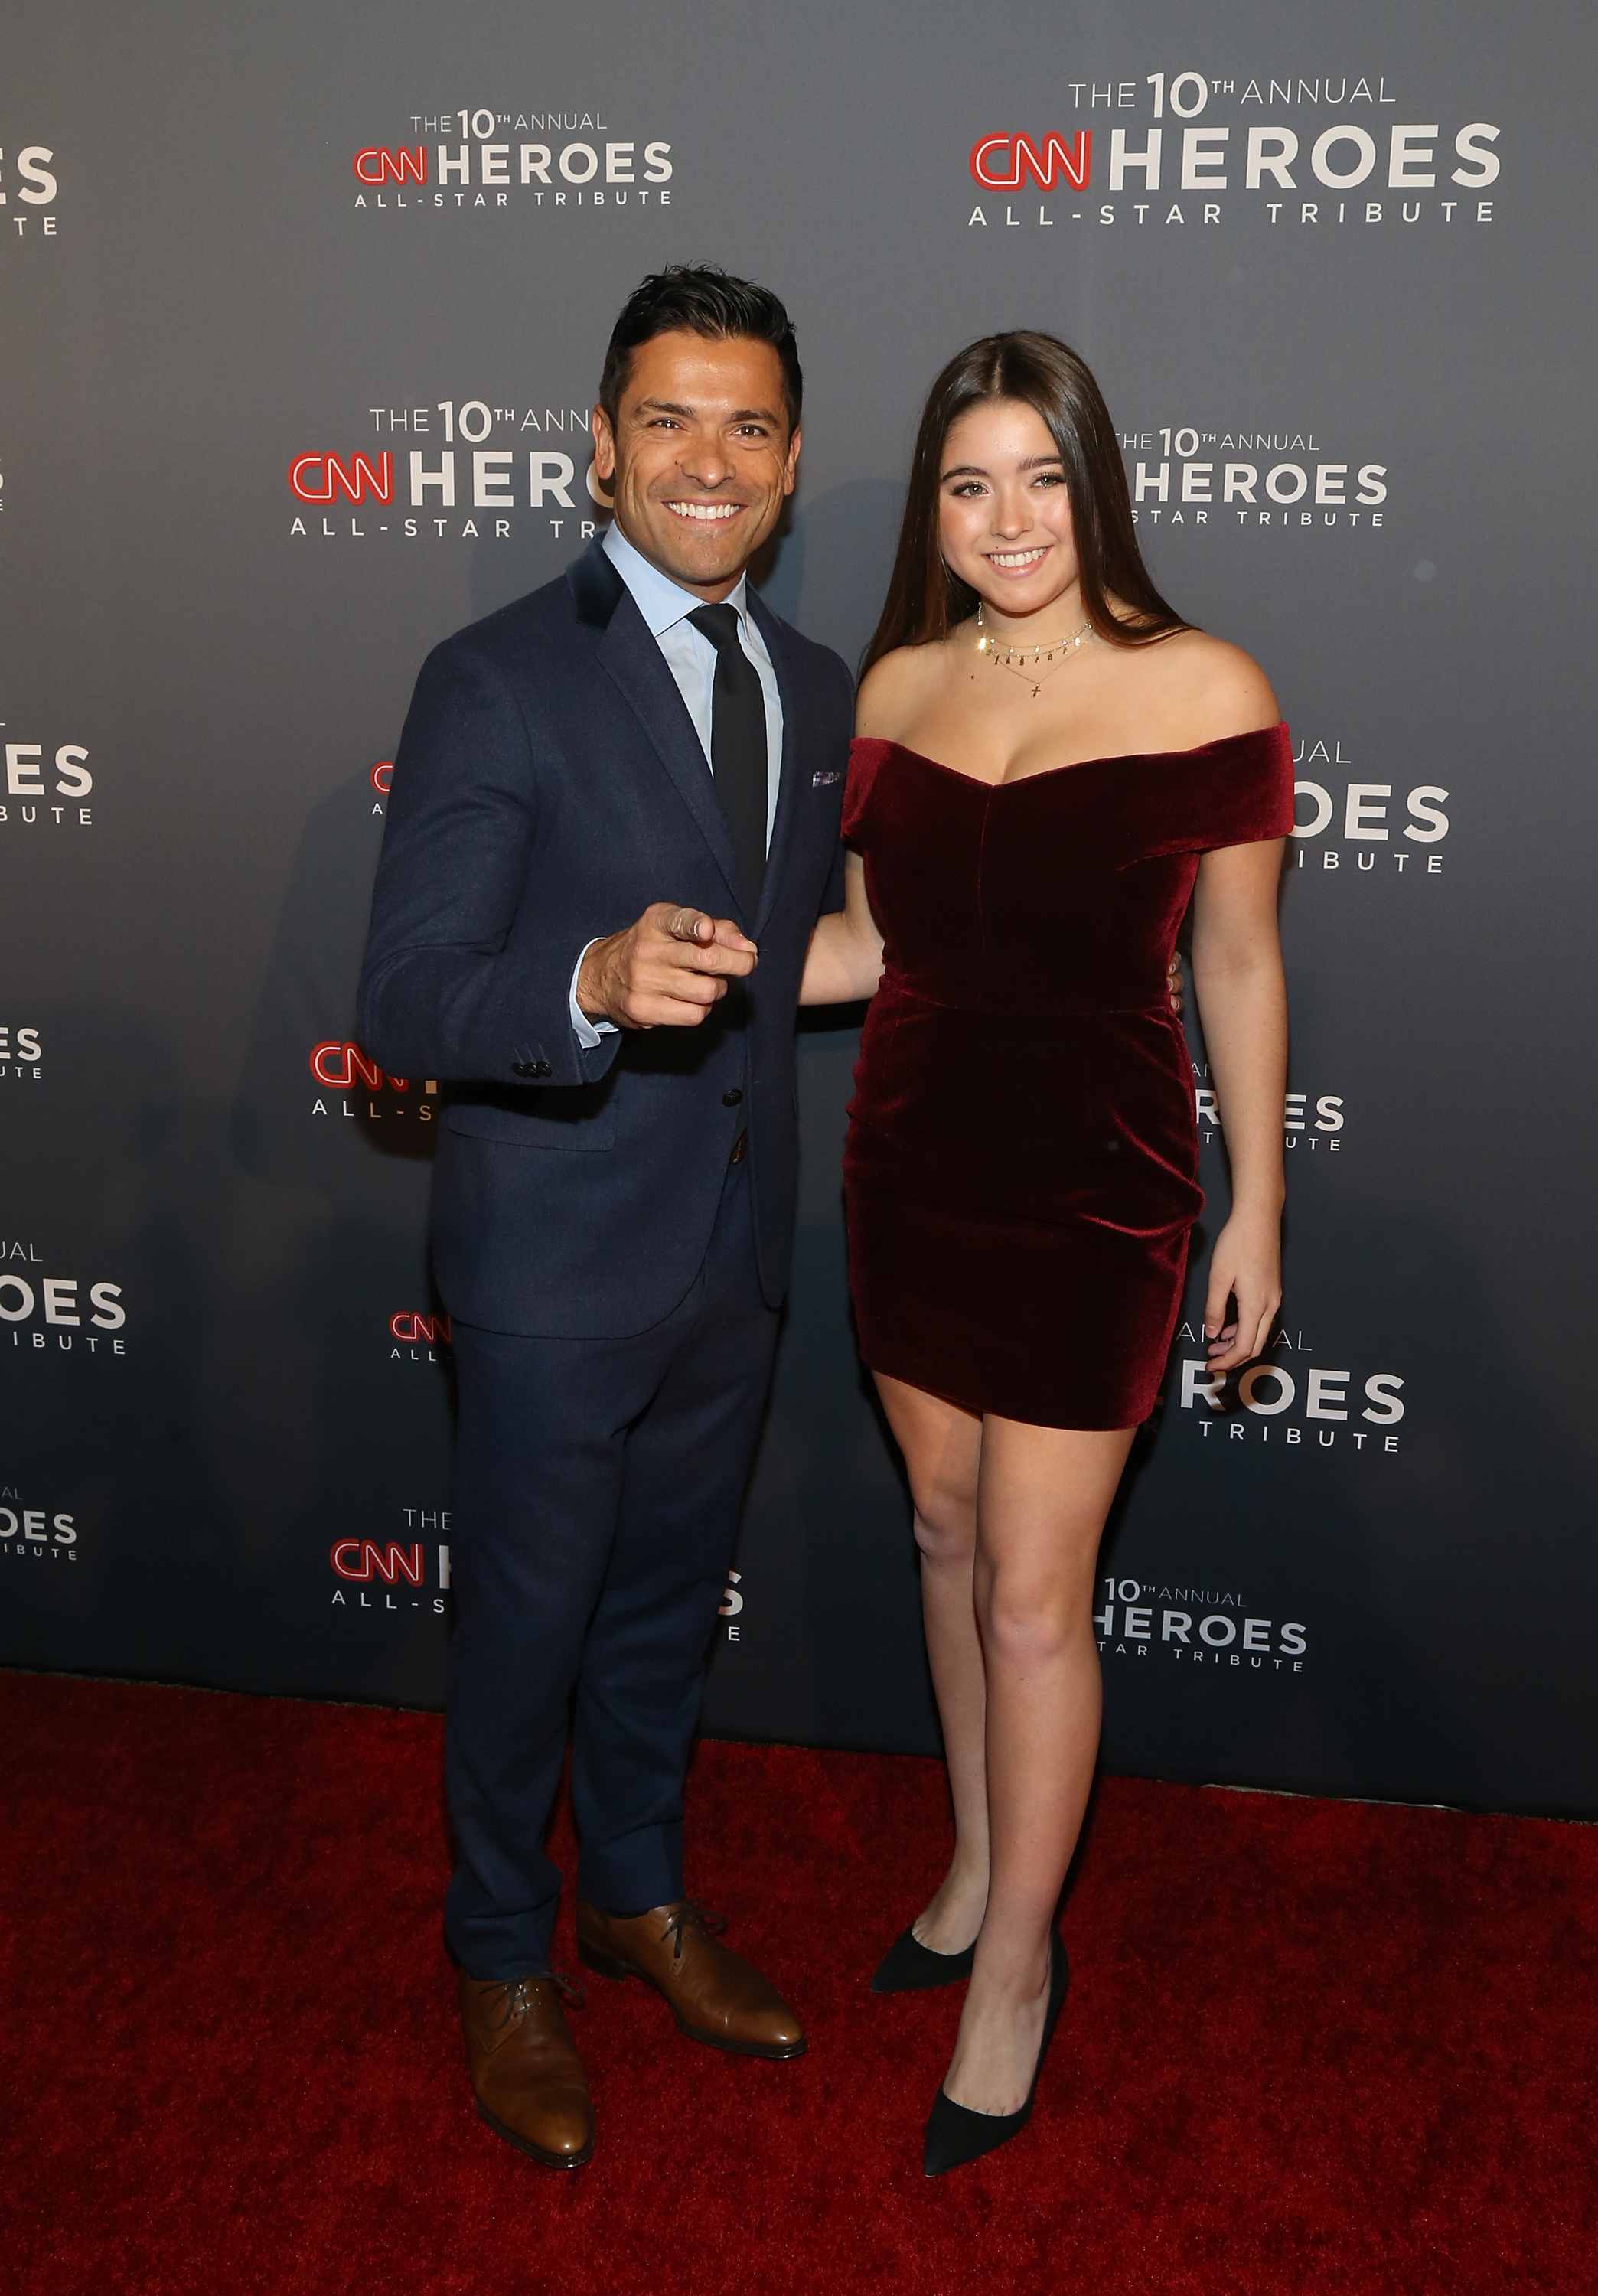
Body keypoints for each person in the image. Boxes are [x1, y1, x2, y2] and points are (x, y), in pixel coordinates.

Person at [357, 267, 854, 2170]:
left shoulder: (806, 687)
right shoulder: (494, 674)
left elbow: (794, 951)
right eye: (668, 418)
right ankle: (501, 1956)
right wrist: (583, 974)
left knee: (661, 1615)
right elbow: (406, 999)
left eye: (746, 426)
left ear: (792, 463)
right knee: (529, 1630)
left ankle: (634, 1899)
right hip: (555, 1256)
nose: (706, 459)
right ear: (601, 442)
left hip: (733, 1245)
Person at [799, 331, 1292, 2176]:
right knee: (938, 1528)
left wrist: (1258, 1200)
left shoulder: (1204, 683)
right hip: (909, 1160)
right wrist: (642, 972)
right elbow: (861, 949)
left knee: (1030, 1594)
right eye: (967, 482)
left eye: (1042, 476)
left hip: (1099, 1182)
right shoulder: (900, 680)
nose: (1008, 518)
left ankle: (1018, 1968)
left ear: (1098, 482)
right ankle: (976, 1855)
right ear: (933, 502)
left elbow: (1235, 961)